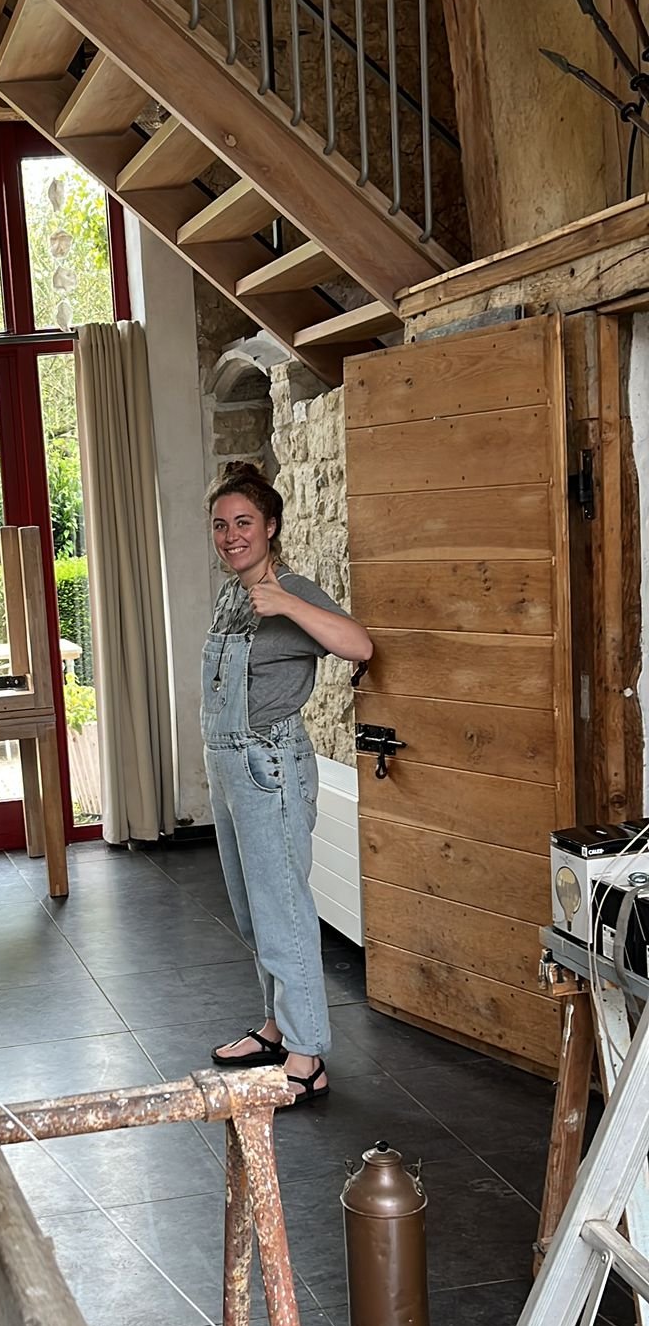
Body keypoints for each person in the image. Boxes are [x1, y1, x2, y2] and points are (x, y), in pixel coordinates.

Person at [202, 461, 373, 1106]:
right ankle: (277, 1028)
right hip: (228, 761)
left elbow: (359, 646)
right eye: (221, 525)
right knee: (252, 908)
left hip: (269, 764)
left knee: (284, 909)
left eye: (243, 522)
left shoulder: (292, 590)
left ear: (270, 527)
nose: (231, 535)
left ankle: (307, 1057)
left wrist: (288, 604)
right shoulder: (231, 593)